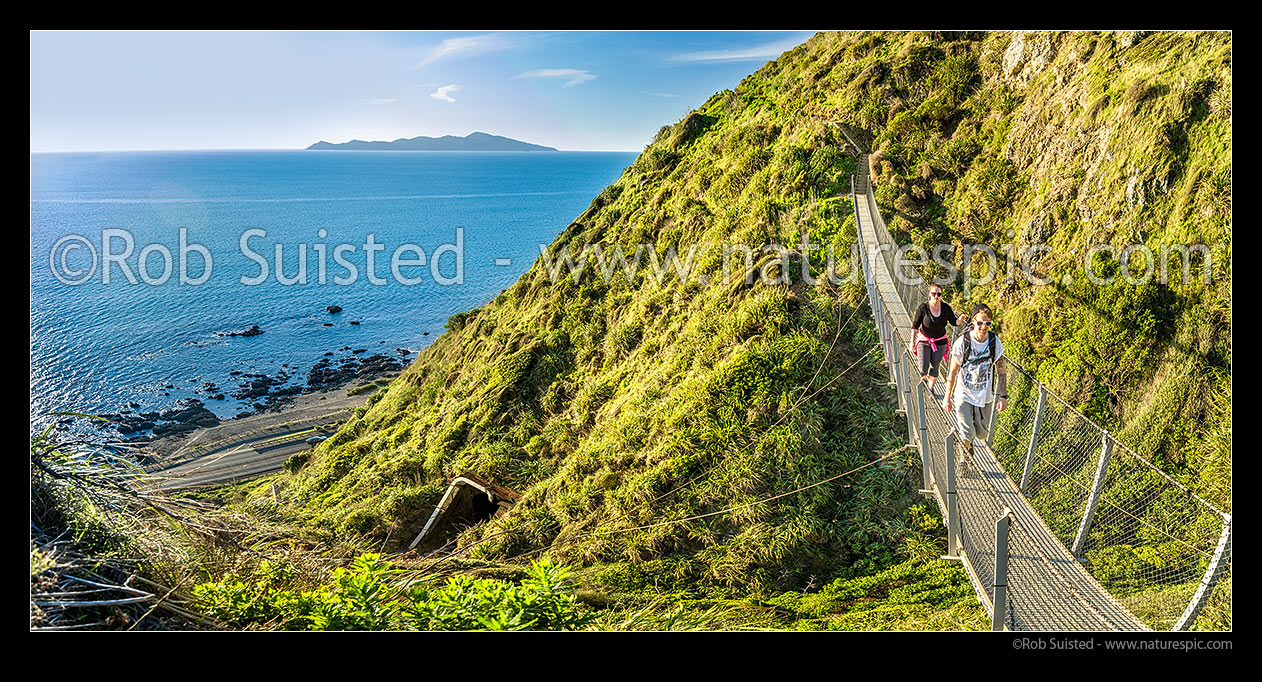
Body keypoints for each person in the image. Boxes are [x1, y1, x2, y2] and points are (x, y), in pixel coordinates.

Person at [942, 304, 1008, 474]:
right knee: (967, 431)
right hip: (963, 393)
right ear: (973, 321)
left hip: (984, 395)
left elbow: (1001, 370)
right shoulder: (962, 343)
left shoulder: (994, 342)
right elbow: (953, 371)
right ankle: (964, 459)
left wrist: (1003, 396)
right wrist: (947, 396)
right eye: (980, 323)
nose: (983, 327)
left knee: (981, 434)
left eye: (987, 324)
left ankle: (969, 445)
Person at [909, 284, 959, 397]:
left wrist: (960, 320)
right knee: (923, 367)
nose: (936, 296)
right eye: (934, 293)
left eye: (939, 294)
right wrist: (912, 342)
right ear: (929, 294)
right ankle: (924, 381)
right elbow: (915, 326)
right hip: (924, 340)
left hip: (940, 341)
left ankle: (930, 389)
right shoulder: (923, 308)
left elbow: (954, 322)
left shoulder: (946, 308)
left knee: (935, 366)